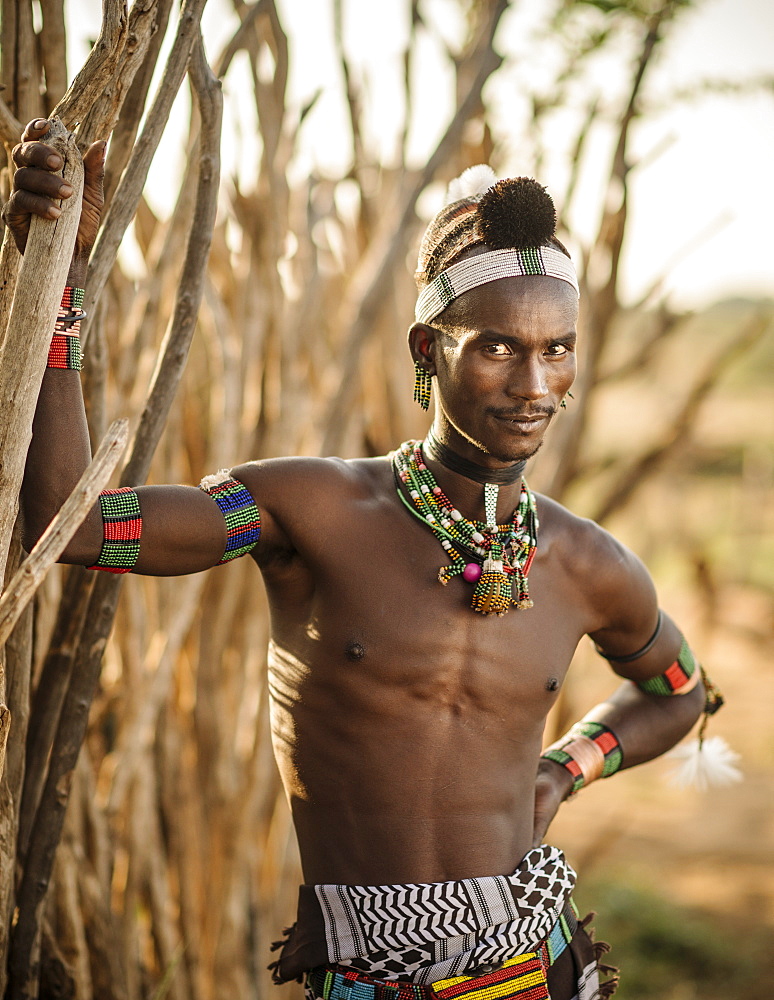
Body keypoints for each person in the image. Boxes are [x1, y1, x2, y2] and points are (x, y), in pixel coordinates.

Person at [5, 121, 720, 1000]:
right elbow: (79, 525)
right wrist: (60, 286)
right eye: (498, 346)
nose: (535, 386)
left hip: (535, 969)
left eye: (556, 349)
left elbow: (681, 691)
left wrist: (565, 767)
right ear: (429, 351)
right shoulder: (307, 513)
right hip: (363, 977)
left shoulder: (588, 564)